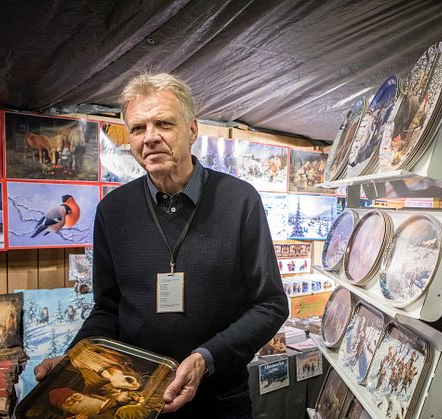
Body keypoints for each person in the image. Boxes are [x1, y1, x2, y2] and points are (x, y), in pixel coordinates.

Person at [34, 73, 289, 418]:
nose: (150, 137)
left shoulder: (239, 200)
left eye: (164, 124)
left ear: (193, 130)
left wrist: (205, 359)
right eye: (138, 128)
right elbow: (108, 309)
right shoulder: (113, 210)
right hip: (137, 401)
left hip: (221, 399)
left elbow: (270, 304)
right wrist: (75, 360)